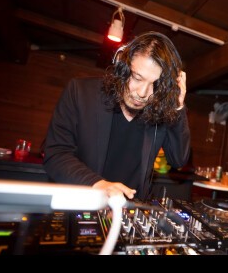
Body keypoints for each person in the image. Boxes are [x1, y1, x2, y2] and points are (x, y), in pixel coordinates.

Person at [43, 31, 191, 200]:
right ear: (122, 65)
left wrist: (177, 106)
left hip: (130, 209)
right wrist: (98, 184)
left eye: (155, 85)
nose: (143, 93)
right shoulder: (80, 92)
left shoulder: (158, 108)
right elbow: (56, 155)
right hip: (82, 202)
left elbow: (178, 159)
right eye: (137, 78)